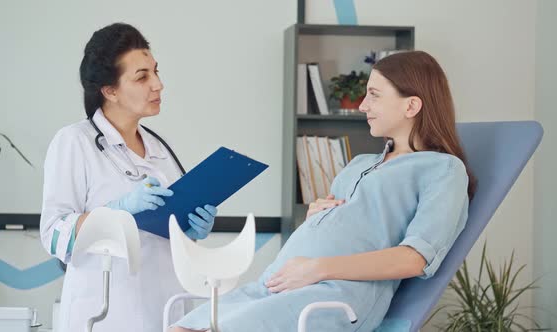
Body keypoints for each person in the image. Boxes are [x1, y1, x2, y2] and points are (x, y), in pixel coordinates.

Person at [170, 50, 477, 332]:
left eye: (374, 95)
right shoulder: (360, 163)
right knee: (180, 328)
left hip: (334, 294)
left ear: (411, 105)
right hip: (278, 284)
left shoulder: (443, 170)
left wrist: (317, 268)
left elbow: (415, 259)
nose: (362, 106)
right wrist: (318, 217)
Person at [40, 23, 218, 332]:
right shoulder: (74, 142)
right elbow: (53, 234)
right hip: (106, 312)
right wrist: (118, 210)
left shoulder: (159, 148)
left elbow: (164, 235)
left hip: (168, 307)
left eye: (156, 71)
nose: (158, 85)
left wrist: (189, 228)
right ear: (109, 91)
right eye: (142, 76)